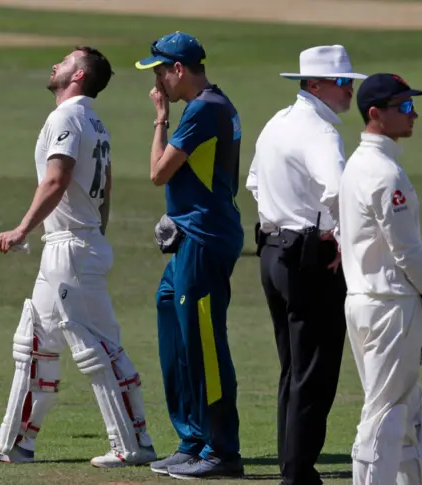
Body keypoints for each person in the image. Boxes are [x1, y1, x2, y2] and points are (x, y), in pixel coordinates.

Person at [0, 46, 157, 468]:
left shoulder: (67, 117)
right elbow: (106, 186)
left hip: (70, 248)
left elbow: (57, 179)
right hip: (74, 245)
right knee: (36, 343)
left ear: (79, 76)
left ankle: (133, 445)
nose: (56, 64)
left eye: (66, 61)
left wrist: (22, 229)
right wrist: (95, 233)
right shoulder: (93, 120)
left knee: (97, 349)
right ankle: (15, 443)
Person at [245, 45, 366, 485]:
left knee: (294, 369)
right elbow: (340, 191)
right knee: (314, 371)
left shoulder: (278, 121)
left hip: (274, 253)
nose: (349, 91)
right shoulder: (319, 131)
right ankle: (297, 473)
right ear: (315, 85)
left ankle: (292, 466)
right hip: (308, 260)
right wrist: (335, 236)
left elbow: (254, 182)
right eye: (342, 83)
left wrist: (283, 218)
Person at [134, 32, 244, 480]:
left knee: (203, 344)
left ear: (179, 69)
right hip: (190, 235)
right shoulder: (210, 106)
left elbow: (159, 173)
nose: (158, 81)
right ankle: (192, 440)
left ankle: (221, 451)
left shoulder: (204, 109)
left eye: (160, 71)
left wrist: (159, 119)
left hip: (205, 238)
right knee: (173, 328)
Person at [339, 73, 422, 485]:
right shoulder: (385, 173)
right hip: (390, 304)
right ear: (375, 114)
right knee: (385, 410)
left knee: (403, 406)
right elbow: (407, 251)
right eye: (403, 106)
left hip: (366, 300)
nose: (414, 114)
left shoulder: (358, 164)